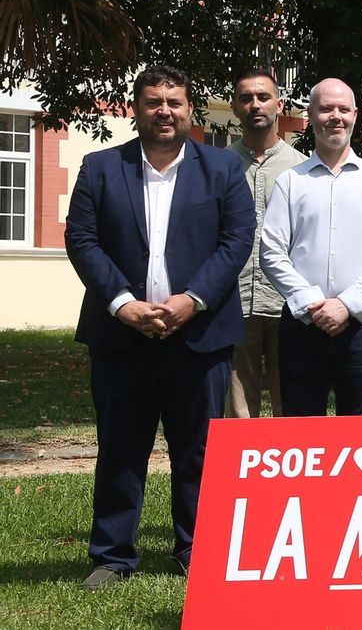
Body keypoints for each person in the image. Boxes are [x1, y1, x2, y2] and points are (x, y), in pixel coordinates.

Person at [64, 65, 254, 588]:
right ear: (137, 108)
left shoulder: (222, 170)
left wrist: (192, 301)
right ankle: (112, 556)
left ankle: (196, 549)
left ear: (190, 109)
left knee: (197, 449)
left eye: (174, 102)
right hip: (122, 335)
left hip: (199, 334)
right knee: (121, 447)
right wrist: (122, 304)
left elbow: (236, 241)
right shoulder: (100, 167)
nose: (164, 111)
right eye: (153, 102)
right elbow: (82, 240)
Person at [259, 78, 362, 416]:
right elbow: (272, 251)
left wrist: (346, 305)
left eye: (342, 109)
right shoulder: (291, 181)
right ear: (310, 116)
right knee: (301, 429)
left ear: (355, 115)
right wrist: (312, 303)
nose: (335, 116)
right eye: (326, 109)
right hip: (303, 324)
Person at [224, 66, 306, 418]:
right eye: (246, 98)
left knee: (293, 404)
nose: (255, 105)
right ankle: (240, 472)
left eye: (263, 97)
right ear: (234, 107)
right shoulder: (218, 166)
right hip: (233, 302)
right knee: (238, 409)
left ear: (279, 104)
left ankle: (293, 472)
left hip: (288, 304)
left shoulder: (303, 169)